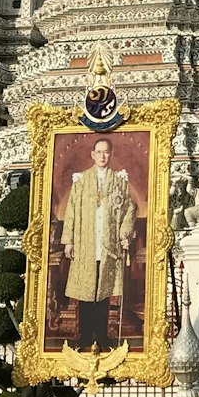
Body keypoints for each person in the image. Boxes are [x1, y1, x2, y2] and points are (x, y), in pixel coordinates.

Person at [61, 136, 136, 348]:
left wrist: (124, 233)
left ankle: (101, 336)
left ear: (110, 155)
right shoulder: (81, 181)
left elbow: (129, 209)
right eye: (99, 152)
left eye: (106, 152)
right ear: (92, 155)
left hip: (108, 245)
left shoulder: (120, 181)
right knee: (85, 293)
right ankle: (85, 335)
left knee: (103, 292)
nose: (102, 156)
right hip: (86, 242)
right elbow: (71, 211)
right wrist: (69, 241)